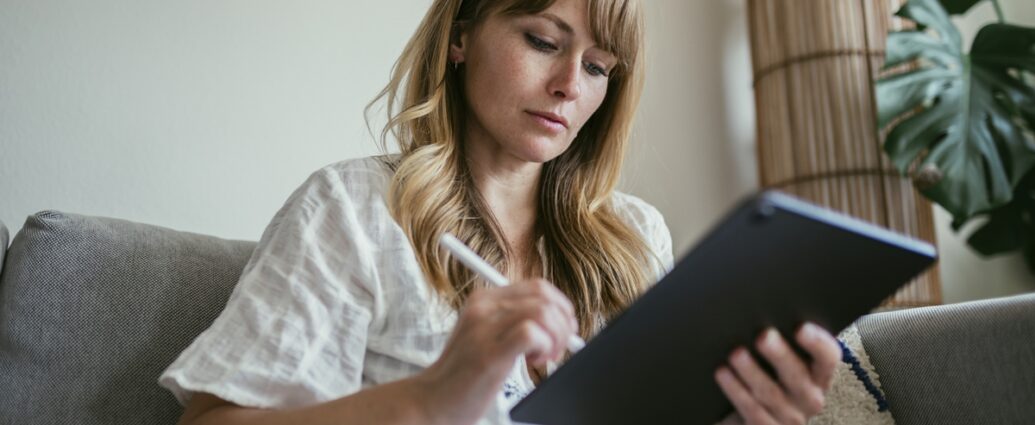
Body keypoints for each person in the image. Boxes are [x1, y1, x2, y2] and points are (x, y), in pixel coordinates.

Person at [158, 0, 842, 424]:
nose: (569, 85)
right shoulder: (354, 210)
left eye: (600, 67)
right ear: (461, 35)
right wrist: (432, 398)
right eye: (543, 41)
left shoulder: (635, 238)